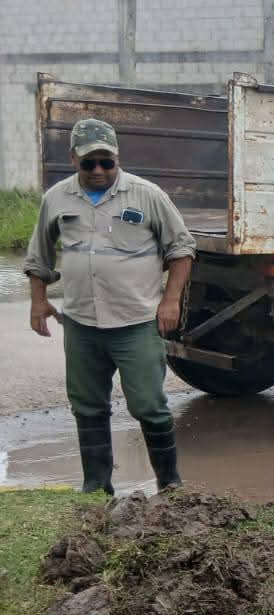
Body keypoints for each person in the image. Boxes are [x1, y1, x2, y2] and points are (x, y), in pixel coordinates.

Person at [24, 119, 195, 495]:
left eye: (106, 162)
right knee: (87, 407)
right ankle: (97, 487)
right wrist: (39, 301)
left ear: (117, 158)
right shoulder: (57, 198)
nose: (98, 171)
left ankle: (170, 484)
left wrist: (170, 300)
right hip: (82, 326)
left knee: (149, 406)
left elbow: (181, 249)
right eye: (89, 164)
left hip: (135, 324)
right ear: (74, 160)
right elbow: (39, 256)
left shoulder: (147, 195)